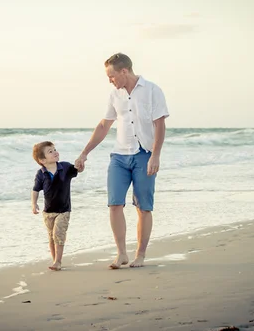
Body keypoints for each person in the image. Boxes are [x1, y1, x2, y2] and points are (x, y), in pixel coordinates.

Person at [75, 53, 169, 269]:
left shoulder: (153, 90)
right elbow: (103, 126)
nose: (110, 80)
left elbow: (160, 125)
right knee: (114, 204)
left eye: (111, 76)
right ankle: (121, 254)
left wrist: (155, 155)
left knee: (143, 207)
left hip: (144, 154)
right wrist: (84, 153)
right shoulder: (114, 95)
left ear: (124, 71)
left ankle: (141, 255)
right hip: (119, 156)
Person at [31, 141, 80, 271]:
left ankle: (58, 261)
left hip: (63, 210)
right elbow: (35, 190)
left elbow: (78, 169)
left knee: (58, 234)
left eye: (55, 149)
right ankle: (54, 260)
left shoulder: (65, 167)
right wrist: (34, 203)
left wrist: (81, 164)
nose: (55, 152)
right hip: (48, 212)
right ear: (42, 160)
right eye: (50, 151)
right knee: (51, 236)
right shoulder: (41, 173)